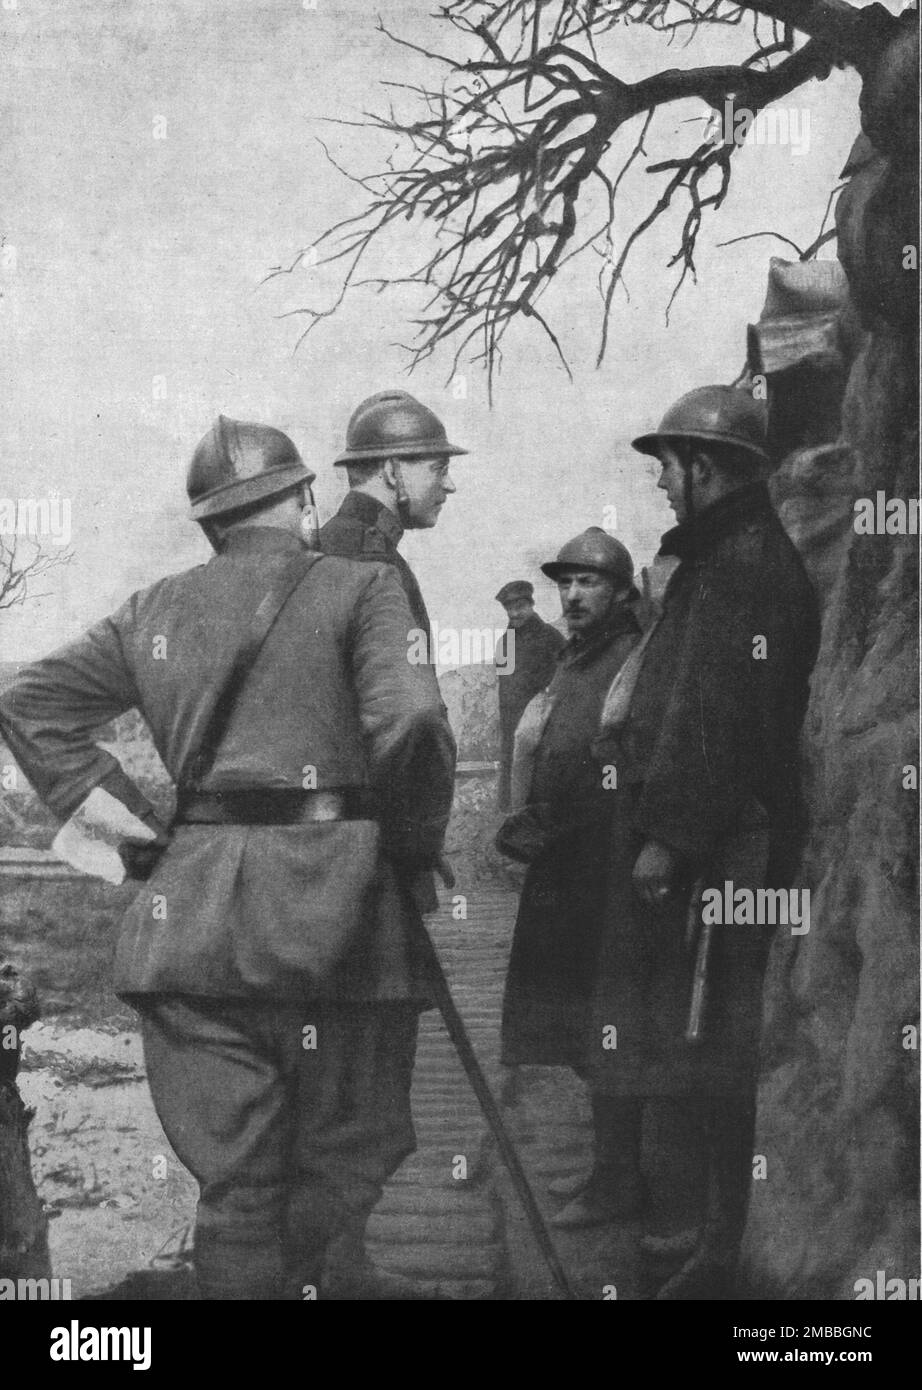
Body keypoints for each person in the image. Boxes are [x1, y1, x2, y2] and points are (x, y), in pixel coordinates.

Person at [0, 416, 456, 1300]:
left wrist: (143, 837)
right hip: (345, 932)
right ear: (306, 496)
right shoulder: (365, 589)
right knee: (338, 1165)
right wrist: (400, 846)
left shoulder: (152, 609)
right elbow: (413, 722)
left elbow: (27, 704)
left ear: (210, 520)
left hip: (190, 933)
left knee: (238, 1189)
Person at [588, 385, 821, 1297]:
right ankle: (703, 1234)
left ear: (710, 467)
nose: (662, 486)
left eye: (670, 467)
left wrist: (669, 840)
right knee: (700, 1036)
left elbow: (714, 720)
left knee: (722, 1042)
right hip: (716, 842)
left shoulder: (744, 568)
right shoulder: (724, 559)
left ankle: (720, 1250)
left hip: (736, 849)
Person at [496, 529, 642, 1229]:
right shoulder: (574, 658)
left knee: (609, 1025)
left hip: (610, 872)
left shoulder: (633, 656)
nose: (574, 595)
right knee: (582, 1026)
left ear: (620, 592)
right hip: (566, 866)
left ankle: (620, 1183)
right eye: (567, 583)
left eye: (590, 583)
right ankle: (613, 1176)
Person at [320, 389, 466, 643]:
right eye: (439, 469)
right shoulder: (375, 564)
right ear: (392, 471)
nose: (450, 485)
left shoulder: (328, 543)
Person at [493, 581, 565, 811]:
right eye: (509, 609)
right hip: (511, 718)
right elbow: (503, 681)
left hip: (542, 720)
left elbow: (564, 678)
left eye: (520, 607)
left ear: (531, 605)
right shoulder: (504, 641)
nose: (514, 613)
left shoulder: (551, 638)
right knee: (512, 773)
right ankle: (512, 815)